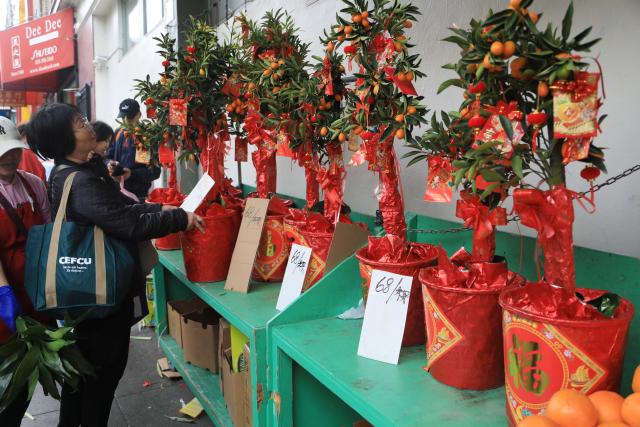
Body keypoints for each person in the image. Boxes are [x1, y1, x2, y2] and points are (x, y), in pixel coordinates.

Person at [25, 103, 204, 427]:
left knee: (81, 380)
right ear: (65, 140)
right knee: (101, 382)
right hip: (100, 297)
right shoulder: (79, 181)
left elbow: (118, 207)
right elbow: (126, 224)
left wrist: (159, 207)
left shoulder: (78, 172)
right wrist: (180, 218)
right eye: (79, 123)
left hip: (89, 298)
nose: (88, 125)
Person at [0, 116, 52, 426]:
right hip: (5, 300)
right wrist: (4, 293)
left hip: (35, 296)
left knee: (26, 374)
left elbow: (47, 233)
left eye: (13, 149)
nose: (9, 156)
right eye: (2, 152)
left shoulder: (34, 184)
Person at [107, 98, 160, 201]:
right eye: (123, 117)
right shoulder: (118, 133)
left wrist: (131, 174)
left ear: (139, 115)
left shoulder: (146, 137)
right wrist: (109, 164)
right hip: (117, 193)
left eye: (130, 117)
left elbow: (154, 172)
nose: (126, 121)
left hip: (138, 196)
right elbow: (107, 156)